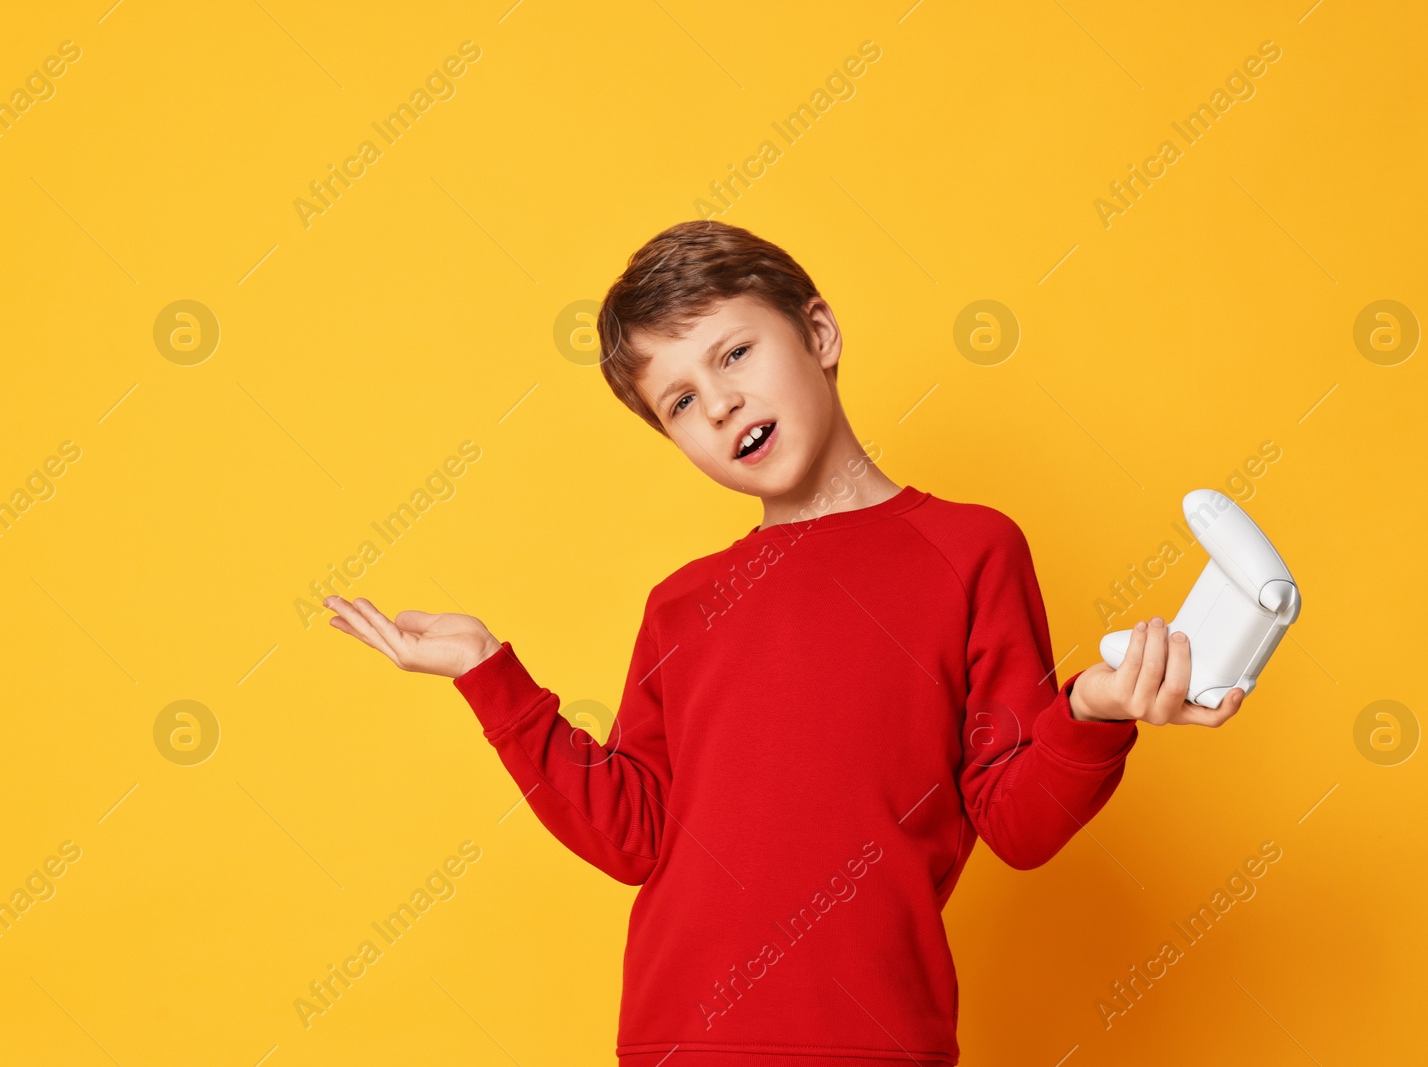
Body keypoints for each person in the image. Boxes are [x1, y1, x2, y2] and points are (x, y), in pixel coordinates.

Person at [324, 220, 1243, 1066]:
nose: (720, 403)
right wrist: (491, 676)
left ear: (820, 333)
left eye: (734, 352)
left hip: (875, 1037)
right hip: (672, 1038)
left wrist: (1089, 711)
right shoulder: (680, 605)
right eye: (680, 400)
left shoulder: (969, 550)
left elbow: (1016, 820)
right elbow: (638, 834)